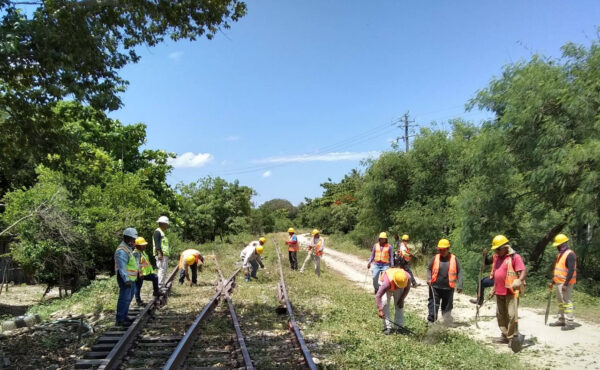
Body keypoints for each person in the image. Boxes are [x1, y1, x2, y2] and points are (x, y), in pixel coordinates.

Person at [489, 235, 526, 346]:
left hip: (511, 292)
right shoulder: (497, 258)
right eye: (495, 249)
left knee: (511, 315)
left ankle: (511, 338)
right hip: (499, 291)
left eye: (498, 249)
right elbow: (497, 273)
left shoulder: (515, 257)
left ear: (505, 247)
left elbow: (523, 270)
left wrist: (519, 280)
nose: (496, 251)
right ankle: (504, 335)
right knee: (501, 315)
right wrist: (493, 288)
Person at [426, 238, 463, 325]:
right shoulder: (435, 258)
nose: (441, 251)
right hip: (435, 286)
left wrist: (460, 284)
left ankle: (447, 321)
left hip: (448, 287)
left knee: (447, 305)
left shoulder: (454, 259)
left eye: (443, 250)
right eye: (440, 250)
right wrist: (428, 278)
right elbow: (428, 268)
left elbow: (460, 271)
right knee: (433, 304)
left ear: (448, 249)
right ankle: (431, 320)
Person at [548, 233, 577, 331]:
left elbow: (571, 270)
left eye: (558, 245)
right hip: (558, 282)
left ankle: (570, 322)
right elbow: (559, 270)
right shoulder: (561, 254)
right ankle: (561, 319)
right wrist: (552, 281)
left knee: (567, 302)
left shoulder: (570, 254)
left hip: (565, 283)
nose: (557, 247)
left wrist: (565, 284)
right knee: (560, 301)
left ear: (562, 244)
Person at [114, 228, 139, 325]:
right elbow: (122, 267)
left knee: (128, 298)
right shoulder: (122, 250)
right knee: (124, 298)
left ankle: (125, 316)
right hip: (125, 279)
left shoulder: (128, 248)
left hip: (130, 278)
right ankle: (120, 319)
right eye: (132, 239)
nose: (133, 241)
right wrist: (126, 279)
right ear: (127, 238)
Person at [375, 267, 411, 335]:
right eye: (398, 286)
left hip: (397, 282)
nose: (398, 288)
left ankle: (399, 327)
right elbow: (378, 296)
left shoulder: (407, 277)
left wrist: (402, 299)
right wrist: (380, 310)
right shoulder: (386, 283)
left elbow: (407, 289)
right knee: (384, 303)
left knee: (400, 305)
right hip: (387, 282)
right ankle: (387, 327)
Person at [133, 237, 160, 306]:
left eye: (145, 244)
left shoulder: (142, 252)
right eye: (143, 245)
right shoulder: (136, 253)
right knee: (138, 286)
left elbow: (146, 261)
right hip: (140, 273)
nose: (145, 246)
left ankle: (156, 292)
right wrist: (140, 273)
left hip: (145, 273)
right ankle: (138, 300)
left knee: (155, 277)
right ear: (138, 245)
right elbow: (137, 264)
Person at [153, 216, 171, 288]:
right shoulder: (157, 232)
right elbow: (157, 243)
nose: (167, 225)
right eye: (166, 224)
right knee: (162, 270)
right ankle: (160, 286)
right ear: (163, 223)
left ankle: (162, 285)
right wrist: (159, 253)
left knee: (164, 269)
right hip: (161, 255)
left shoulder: (162, 232)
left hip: (164, 254)